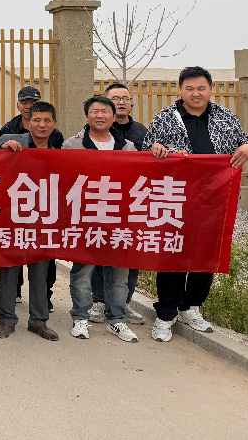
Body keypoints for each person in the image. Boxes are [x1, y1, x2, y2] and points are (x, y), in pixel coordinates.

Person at [145, 66, 248, 343]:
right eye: (189, 88)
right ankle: (166, 313)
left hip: (216, 199)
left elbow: (243, 143)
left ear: (210, 90)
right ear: (180, 90)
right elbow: (148, 149)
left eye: (201, 88)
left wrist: (247, 147)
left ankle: (191, 306)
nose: (196, 93)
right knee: (173, 254)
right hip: (176, 199)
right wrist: (160, 151)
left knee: (206, 254)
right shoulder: (165, 118)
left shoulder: (226, 117)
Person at [63, 96, 140, 343]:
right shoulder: (72, 145)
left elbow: (137, 179)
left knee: (119, 273)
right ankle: (80, 317)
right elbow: (64, 180)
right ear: (87, 116)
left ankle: (117, 320)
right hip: (85, 219)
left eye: (105, 111)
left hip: (119, 219)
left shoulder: (127, 147)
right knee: (83, 271)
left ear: (113, 116)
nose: (100, 115)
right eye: (94, 111)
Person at [0, 101, 61, 341]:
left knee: (40, 272)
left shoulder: (58, 152)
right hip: (12, 218)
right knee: (10, 270)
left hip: (43, 220)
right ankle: (6, 320)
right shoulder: (12, 140)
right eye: (37, 120)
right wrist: (2, 148)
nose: (42, 125)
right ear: (28, 122)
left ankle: (38, 321)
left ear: (54, 124)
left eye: (47, 120)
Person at [89, 82, 147, 325]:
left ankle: (124, 302)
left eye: (125, 98)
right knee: (98, 253)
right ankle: (98, 302)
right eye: (115, 98)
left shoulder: (142, 133)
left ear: (131, 103)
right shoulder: (92, 132)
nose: (121, 102)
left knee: (129, 256)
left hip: (130, 204)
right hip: (99, 202)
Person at [0, 86, 64, 148]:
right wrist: (2, 146)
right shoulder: (8, 129)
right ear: (17, 106)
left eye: (32, 103)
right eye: (24, 103)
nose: (28, 107)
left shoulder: (55, 134)